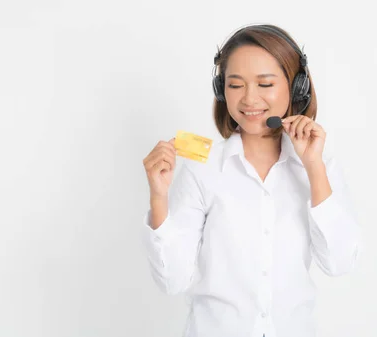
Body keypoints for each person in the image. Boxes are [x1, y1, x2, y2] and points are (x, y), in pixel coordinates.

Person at [140, 24, 361, 337]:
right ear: (221, 91)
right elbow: (173, 281)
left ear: (296, 88)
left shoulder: (319, 167)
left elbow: (339, 263)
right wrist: (158, 197)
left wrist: (312, 166)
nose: (249, 98)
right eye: (235, 85)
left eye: (265, 83)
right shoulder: (203, 171)